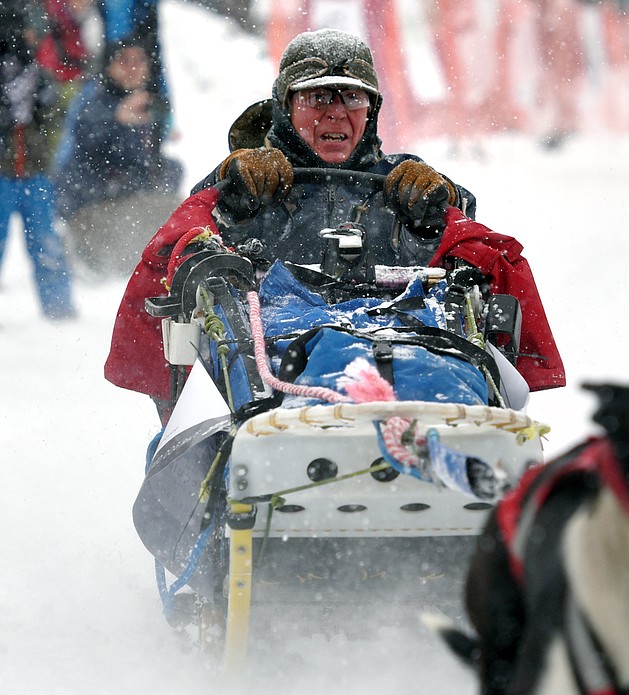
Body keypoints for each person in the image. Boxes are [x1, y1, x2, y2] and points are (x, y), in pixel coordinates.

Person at [104, 28, 564, 419]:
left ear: (372, 108)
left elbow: (478, 246)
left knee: (444, 374)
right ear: (286, 106)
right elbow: (177, 244)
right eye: (317, 96)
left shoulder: (404, 185)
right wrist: (232, 186)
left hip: (410, 339)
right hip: (277, 351)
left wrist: (442, 197)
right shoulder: (246, 184)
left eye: (352, 96)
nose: (336, 111)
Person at [54, 37, 183, 272]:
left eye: (139, 61)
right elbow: (86, 139)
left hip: (130, 205)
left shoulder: (147, 102)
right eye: (124, 62)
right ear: (109, 66)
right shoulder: (94, 98)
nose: (133, 69)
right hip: (93, 205)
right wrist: (117, 118)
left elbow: (149, 161)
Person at [0, 7, 77, 320]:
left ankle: (58, 308)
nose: (34, 39)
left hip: (35, 175)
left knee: (46, 244)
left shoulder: (40, 80)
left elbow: (57, 127)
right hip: (4, 175)